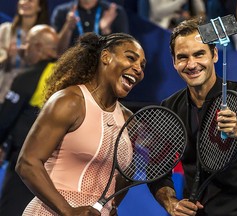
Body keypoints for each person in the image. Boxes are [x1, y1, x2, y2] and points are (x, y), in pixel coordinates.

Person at [147, 17, 237, 215]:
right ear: (174, 62)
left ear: (214, 54)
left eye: (199, 54)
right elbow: (157, 167)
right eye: (182, 57)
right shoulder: (170, 108)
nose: (191, 64)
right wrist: (171, 202)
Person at [15, 32, 146, 216]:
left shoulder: (128, 120)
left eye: (142, 65)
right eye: (130, 58)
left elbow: (122, 178)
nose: (138, 68)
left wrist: (111, 208)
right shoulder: (70, 101)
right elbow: (27, 163)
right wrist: (68, 211)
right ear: (106, 57)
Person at [0, 24, 59, 216]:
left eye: (27, 43)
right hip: (57, 166)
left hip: (25, 162)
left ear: (38, 47)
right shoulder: (68, 76)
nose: (23, 47)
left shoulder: (28, 76)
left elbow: (5, 118)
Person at [0, 0, 50, 107]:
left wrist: (30, 56)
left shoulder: (44, 37)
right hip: (3, 90)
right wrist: (6, 56)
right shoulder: (5, 30)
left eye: (31, 0)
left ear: (40, 7)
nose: (25, 2)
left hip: (27, 97)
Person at [51, 0, 129, 54]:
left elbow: (123, 50)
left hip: (102, 71)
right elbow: (57, 52)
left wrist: (106, 32)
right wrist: (68, 28)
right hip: (72, 70)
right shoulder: (62, 12)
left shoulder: (114, 12)